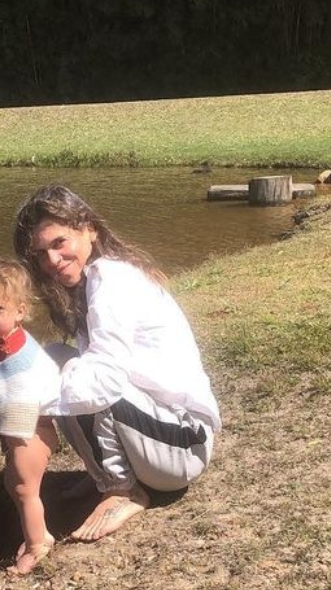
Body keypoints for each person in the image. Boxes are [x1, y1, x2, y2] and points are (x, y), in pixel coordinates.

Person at [13, 185, 220, 543]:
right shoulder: (93, 282)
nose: (51, 261)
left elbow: (105, 382)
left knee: (82, 375)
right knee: (56, 359)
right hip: (158, 436)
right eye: (41, 253)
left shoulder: (112, 280)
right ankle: (106, 473)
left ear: (89, 228)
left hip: (184, 447)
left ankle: (123, 490)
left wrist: (22, 407)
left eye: (60, 243)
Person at [0, 257, 63, 575]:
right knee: (13, 484)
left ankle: (37, 545)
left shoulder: (15, 353)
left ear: (20, 311)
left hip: (31, 429)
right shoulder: (2, 344)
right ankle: (35, 532)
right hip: (21, 429)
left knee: (25, 488)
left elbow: (20, 398)